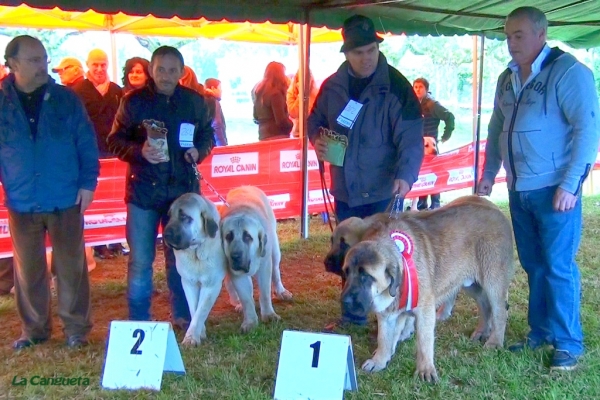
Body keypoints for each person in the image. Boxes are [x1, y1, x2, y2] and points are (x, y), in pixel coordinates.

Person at [477, 7, 600, 371]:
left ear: (541, 34)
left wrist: (570, 184)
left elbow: (587, 131)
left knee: (558, 265)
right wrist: (489, 172)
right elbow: (496, 128)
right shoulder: (506, 78)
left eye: (519, 35)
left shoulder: (569, 72)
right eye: (507, 36)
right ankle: (541, 330)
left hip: (555, 190)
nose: (511, 43)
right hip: (520, 189)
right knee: (533, 264)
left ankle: (568, 343)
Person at [307, 15, 423, 327]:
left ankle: (391, 318)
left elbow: (411, 138)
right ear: (346, 53)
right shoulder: (332, 87)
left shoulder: (397, 87)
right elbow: (314, 120)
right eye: (359, 52)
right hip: (346, 188)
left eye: (371, 50)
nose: (366, 57)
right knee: (350, 259)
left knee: (384, 259)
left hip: (383, 191)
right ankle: (352, 314)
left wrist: (406, 176)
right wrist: (317, 138)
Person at [1, 35, 100, 349]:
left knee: (71, 267)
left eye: (44, 58)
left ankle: (76, 330)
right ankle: (34, 331)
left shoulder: (66, 99)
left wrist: (88, 183)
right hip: (21, 199)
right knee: (28, 271)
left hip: (65, 196)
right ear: (12, 64)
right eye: (33, 60)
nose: (42, 65)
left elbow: (86, 142)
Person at [107, 46, 214, 329]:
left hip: (182, 195)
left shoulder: (195, 101)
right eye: (160, 69)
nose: (166, 75)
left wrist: (199, 151)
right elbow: (114, 140)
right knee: (141, 261)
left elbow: (208, 135)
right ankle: (138, 321)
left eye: (172, 70)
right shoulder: (133, 102)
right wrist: (138, 151)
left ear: (181, 72)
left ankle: (184, 315)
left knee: (181, 258)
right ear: (151, 70)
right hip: (143, 193)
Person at [412, 77, 455, 210]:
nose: (418, 89)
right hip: (419, 146)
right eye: (416, 87)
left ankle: (435, 201)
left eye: (421, 87)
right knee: (422, 173)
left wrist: (445, 136)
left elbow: (449, 117)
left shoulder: (432, 104)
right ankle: (422, 201)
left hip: (431, 146)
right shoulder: (414, 103)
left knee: (435, 171)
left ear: (426, 89)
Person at [73, 49, 123, 159]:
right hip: (88, 149)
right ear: (87, 64)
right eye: (95, 65)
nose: (99, 69)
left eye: (103, 65)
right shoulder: (78, 91)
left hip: (113, 148)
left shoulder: (116, 90)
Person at [253, 61, 293, 141]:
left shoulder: (258, 91)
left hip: (262, 135)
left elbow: (256, 117)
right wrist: (291, 124)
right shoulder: (276, 94)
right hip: (277, 136)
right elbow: (281, 121)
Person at [287, 69, 319, 138]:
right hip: (298, 133)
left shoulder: (317, 93)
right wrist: (301, 94)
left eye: (307, 80)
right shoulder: (291, 93)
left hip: (313, 132)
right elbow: (293, 113)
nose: (305, 83)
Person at [205, 78, 228, 146]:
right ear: (213, 88)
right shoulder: (213, 101)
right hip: (217, 145)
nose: (221, 91)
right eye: (219, 88)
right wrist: (223, 145)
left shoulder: (202, 99)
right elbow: (217, 125)